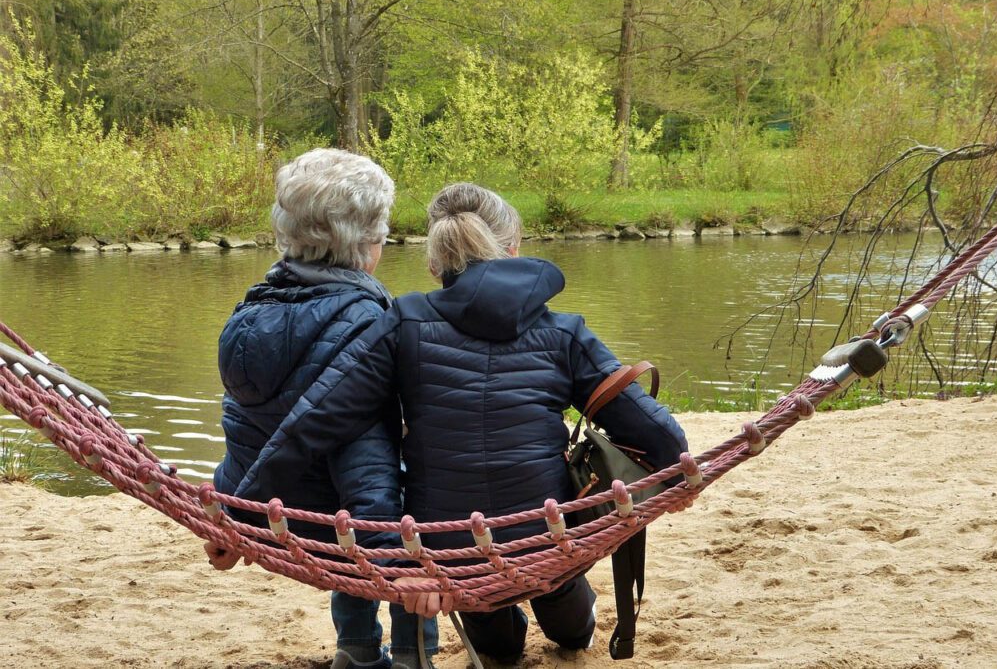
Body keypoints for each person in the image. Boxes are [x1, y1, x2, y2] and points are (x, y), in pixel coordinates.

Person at [236, 182, 688, 661]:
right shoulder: (564, 332)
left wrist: (241, 511)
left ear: (435, 264)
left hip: (450, 550)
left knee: (498, 647)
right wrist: (679, 474)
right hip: (547, 533)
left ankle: (505, 623)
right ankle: (565, 610)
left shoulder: (402, 322)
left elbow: (319, 420)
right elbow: (654, 430)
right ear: (513, 249)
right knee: (568, 617)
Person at [206, 148, 437, 669]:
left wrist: (231, 512)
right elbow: (368, 460)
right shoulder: (371, 323)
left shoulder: (249, 313)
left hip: (276, 516)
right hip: (347, 528)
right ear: (368, 245)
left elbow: (244, 428)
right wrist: (397, 565)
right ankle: (410, 654)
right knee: (412, 503)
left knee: (350, 503)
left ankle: (354, 648)